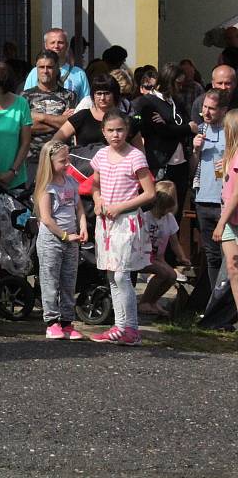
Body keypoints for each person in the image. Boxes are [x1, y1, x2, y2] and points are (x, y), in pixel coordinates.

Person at [89, 110, 155, 346]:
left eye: (120, 130)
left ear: (127, 131)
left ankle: (132, 328)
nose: (115, 135)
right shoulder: (101, 156)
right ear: (103, 132)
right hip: (106, 222)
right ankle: (120, 326)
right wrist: (98, 201)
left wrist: (120, 206)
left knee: (121, 273)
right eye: (110, 130)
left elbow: (149, 192)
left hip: (126, 221)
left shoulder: (135, 156)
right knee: (111, 275)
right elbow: (95, 186)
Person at [132, 62, 198, 228]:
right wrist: (181, 128)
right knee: (157, 212)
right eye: (178, 83)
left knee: (175, 212)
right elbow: (162, 131)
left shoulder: (176, 101)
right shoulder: (146, 102)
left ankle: (172, 253)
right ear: (168, 81)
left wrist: (173, 127)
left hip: (180, 164)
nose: (181, 87)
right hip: (161, 162)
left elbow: (192, 126)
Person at [33, 141, 87, 340]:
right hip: (52, 241)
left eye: (68, 160)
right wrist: (65, 235)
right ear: (50, 162)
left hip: (71, 240)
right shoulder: (46, 188)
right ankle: (52, 321)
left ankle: (67, 321)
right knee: (50, 281)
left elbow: (78, 207)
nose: (67, 164)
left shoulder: (71, 182)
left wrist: (82, 226)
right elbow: (46, 219)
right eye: (62, 161)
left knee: (68, 281)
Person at [191, 89, 228, 292]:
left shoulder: (231, 130)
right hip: (203, 199)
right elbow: (193, 168)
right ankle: (214, 305)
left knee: (228, 256)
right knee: (212, 255)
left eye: (212, 108)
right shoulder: (202, 129)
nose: (206, 112)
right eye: (204, 107)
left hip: (225, 201)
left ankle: (229, 306)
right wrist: (195, 150)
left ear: (223, 110)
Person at [22, 50, 76, 185]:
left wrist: (39, 117)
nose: (45, 71)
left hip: (60, 159)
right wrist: (59, 120)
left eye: (50, 67)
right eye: (41, 67)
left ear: (57, 68)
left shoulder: (69, 96)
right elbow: (27, 127)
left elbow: (71, 125)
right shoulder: (24, 96)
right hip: (32, 158)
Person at [137, 181, 190, 317]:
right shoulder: (145, 216)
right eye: (162, 209)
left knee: (172, 275)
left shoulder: (169, 218)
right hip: (141, 256)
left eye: (167, 209)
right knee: (163, 273)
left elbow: (175, 242)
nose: (164, 213)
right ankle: (144, 302)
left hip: (156, 258)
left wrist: (182, 257)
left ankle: (152, 302)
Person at [0, 62, 32, 190]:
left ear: (6, 83)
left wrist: (13, 171)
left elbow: (26, 142)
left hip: (14, 178)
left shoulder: (21, 103)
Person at [54, 75, 138, 148]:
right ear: (93, 95)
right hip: (85, 164)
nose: (102, 98)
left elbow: (140, 151)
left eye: (106, 93)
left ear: (115, 94)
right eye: (98, 93)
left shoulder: (126, 120)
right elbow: (56, 140)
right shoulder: (82, 116)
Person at [211, 109, 238, 318]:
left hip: (231, 218)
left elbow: (236, 194)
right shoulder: (231, 154)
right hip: (229, 218)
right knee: (232, 267)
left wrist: (221, 223)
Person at [21, 28, 90, 101]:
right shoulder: (35, 72)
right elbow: (25, 102)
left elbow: (86, 104)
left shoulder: (79, 74)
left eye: (60, 42)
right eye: (52, 42)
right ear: (46, 45)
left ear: (67, 45)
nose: (56, 46)